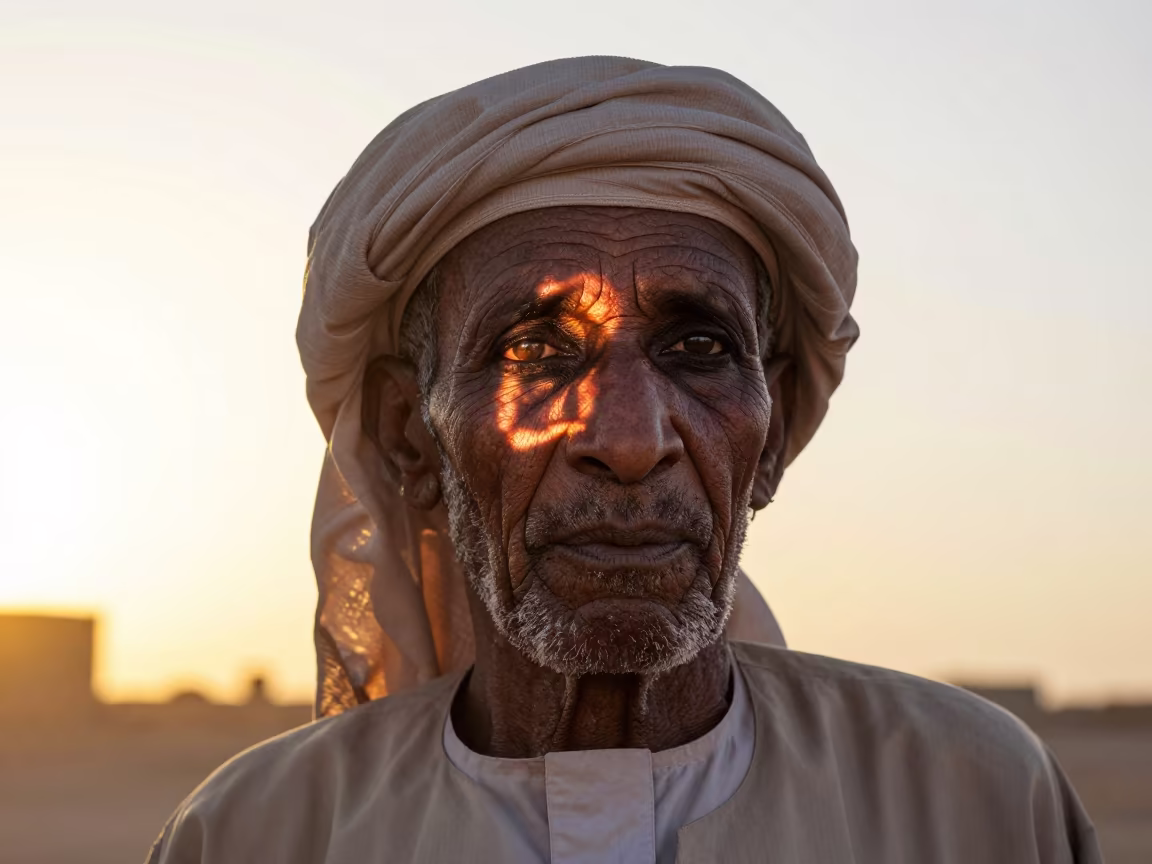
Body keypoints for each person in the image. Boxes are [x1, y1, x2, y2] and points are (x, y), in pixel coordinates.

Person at [147, 57, 1100, 864]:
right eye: (535, 350)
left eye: (699, 349)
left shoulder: (976, 801)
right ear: (411, 435)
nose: (633, 442)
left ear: (770, 436)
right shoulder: (255, 834)